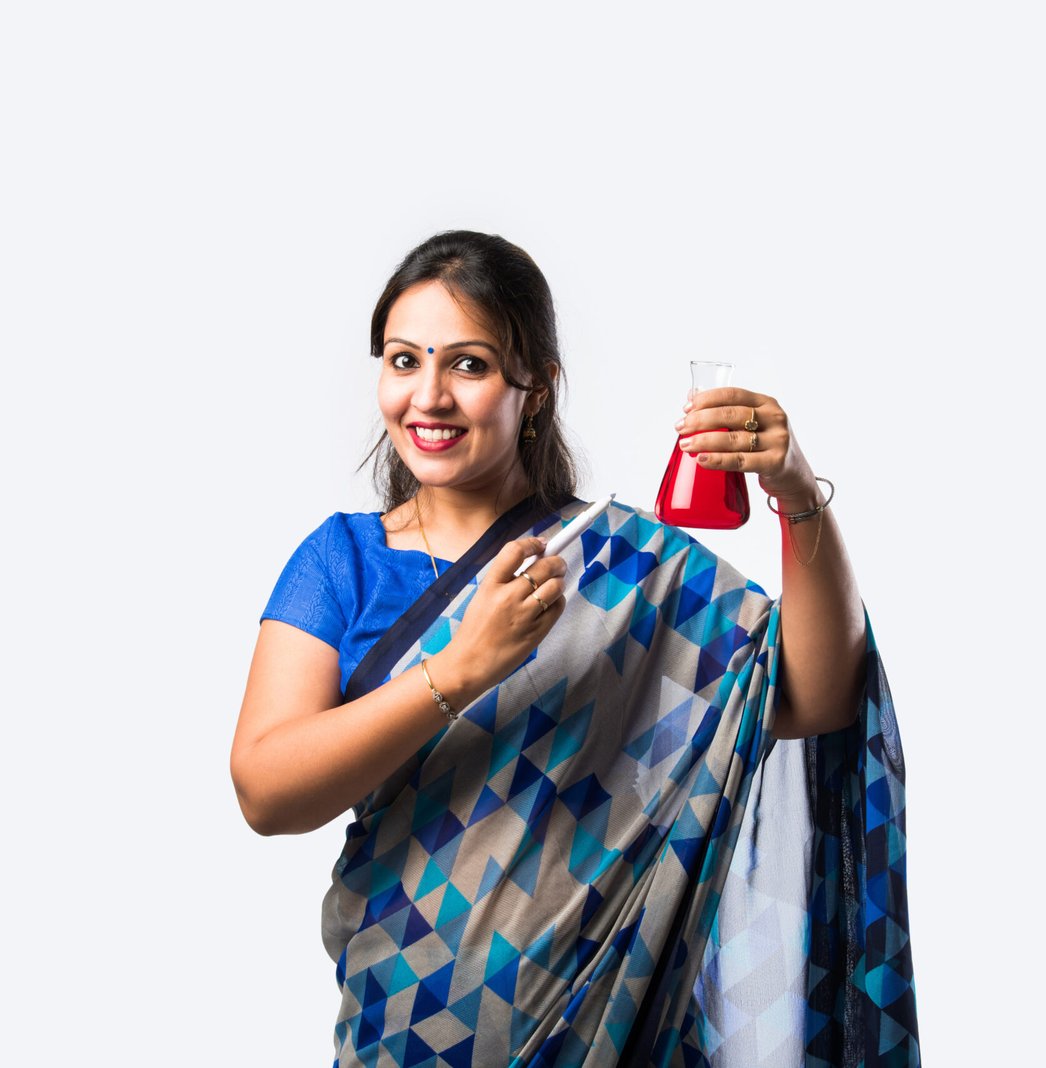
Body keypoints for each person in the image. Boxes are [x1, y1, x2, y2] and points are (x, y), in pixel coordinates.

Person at [230, 231, 919, 1066]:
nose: (430, 396)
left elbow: (816, 698)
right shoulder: (341, 562)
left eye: (470, 365)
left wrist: (797, 492)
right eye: (405, 361)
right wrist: (459, 669)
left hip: (618, 1032)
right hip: (401, 1031)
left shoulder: (620, 562)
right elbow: (267, 791)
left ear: (537, 387)